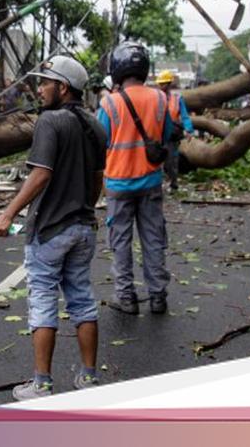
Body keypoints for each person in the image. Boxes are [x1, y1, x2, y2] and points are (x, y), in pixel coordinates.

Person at [0, 55, 105, 400]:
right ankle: (88, 378)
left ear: (63, 87)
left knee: (42, 302)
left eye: (45, 83)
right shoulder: (96, 126)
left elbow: (41, 174)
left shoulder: (50, 122)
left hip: (51, 230)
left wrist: (7, 213)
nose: (39, 89)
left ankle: (41, 384)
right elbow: (98, 179)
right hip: (83, 228)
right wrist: (84, 208)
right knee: (83, 301)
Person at [97, 42, 173, 315]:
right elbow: (165, 138)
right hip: (150, 182)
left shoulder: (108, 103)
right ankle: (157, 297)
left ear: (116, 70)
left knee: (120, 241)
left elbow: (99, 143)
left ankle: (126, 298)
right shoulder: (160, 99)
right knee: (153, 239)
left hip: (118, 184)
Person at [156, 70, 194, 191]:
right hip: (158, 135)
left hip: (172, 136)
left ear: (168, 84)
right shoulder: (155, 98)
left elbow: (184, 116)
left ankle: (174, 183)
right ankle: (157, 186)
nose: (161, 86)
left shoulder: (177, 99)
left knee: (171, 162)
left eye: (163, 84)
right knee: (157, 161)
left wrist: (188, 129)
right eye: (160, 84)